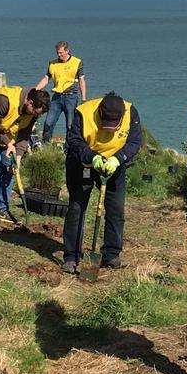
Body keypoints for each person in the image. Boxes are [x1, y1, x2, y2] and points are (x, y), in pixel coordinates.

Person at [61, 92, 142, 274]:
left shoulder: (131, 113)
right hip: (83, 163)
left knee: (115, 209)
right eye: (106, 124)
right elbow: (74, 140)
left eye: (113, 126)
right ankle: (71, 256)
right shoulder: (83, 113)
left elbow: (135, 142)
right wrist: (92, 157)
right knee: (77, 208)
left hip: (114, 165)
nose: (109, 129)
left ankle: (111, 253)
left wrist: (118, 159)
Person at [0, 85, 50, 221]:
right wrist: (8, 143)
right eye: (35, 112)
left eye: (38, 114)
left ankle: (3, 207)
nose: (36, 115)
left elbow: (24, 134)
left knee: (10, 167)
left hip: (7, 131)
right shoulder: (4, 101)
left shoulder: (33, 113)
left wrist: (18, 157)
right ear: (30, 102)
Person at [35, 41, 86, 143]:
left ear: (67, 51)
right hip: (56, 97)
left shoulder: (77, 62)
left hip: (71, 97)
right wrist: (35, 90)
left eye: (61, 52)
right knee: (48, 123)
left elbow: (81, 80)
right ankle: (46, 146)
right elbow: (46, 79)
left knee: (70, 125)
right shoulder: (52, 63)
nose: (59, 55)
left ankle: (69, 148)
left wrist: (83, 99)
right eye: (57, 52)